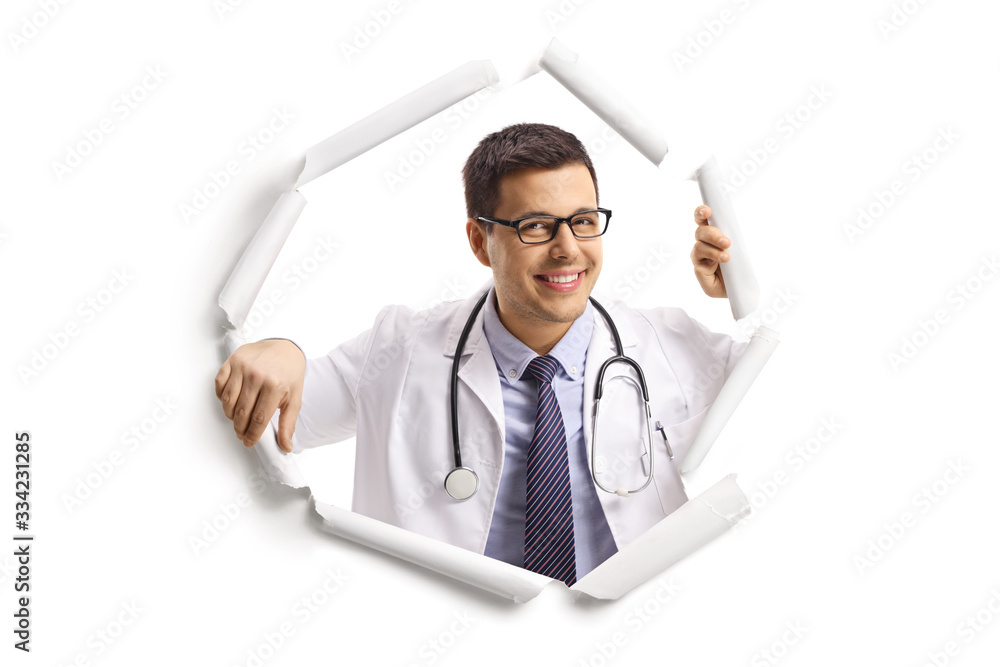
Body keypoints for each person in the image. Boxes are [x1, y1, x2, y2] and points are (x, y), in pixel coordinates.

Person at [215, 123, 744, 584]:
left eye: (583, 221)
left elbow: (780, 391)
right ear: (478, 241)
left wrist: (743, 292)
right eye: (536, 226)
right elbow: (270, 418)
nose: (568, 249)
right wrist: (282, 351)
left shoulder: (671, 344)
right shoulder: (398, 349)